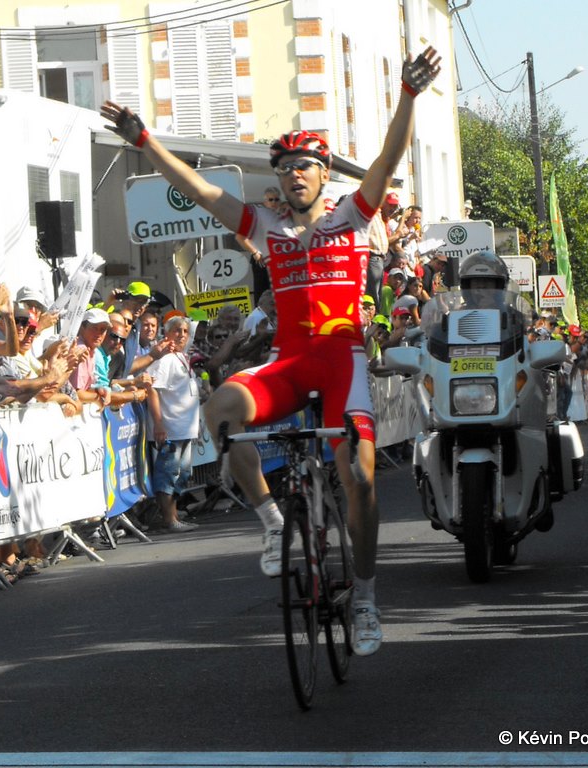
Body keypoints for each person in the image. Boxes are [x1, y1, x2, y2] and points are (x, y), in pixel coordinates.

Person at [101, 44, 441, 657]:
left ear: (321, 174)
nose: (294, 175)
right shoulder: (265, 226)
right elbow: (202, 191)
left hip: (343, 362)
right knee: (219, 414)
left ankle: (364, 596)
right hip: (288, 360)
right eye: (285, 168)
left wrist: (409, 97)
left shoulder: (354, 215)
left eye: (305, 166)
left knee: (359, 476)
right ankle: (271, 523)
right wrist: (144, 140)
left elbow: (388, 160)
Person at [144, 313, 201, 533]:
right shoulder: (164, 359)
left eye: (185, 331)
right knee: (168, 474)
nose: (181, 335)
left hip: (186, 428)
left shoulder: (182, 357)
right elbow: (153, 391)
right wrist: (158, 423)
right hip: (171, 429)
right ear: (166, 333)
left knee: (183, 474)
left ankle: (174, 516)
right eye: (176, 330)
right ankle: (169, 520)